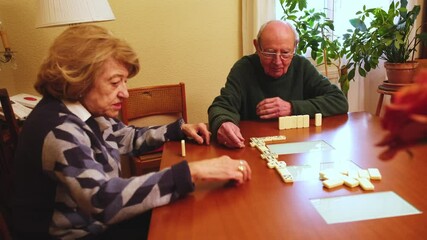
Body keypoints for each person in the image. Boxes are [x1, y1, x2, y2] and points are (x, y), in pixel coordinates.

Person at [12, 25, 251, 240]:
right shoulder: (59, 129)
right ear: (79, 80)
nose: (125, 93)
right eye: (115, 83)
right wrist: (195, 170)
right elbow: (102, 200)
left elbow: (125, 137)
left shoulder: (86, 110)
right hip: (82, 232)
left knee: (194, 212)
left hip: (98, 222)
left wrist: (178, 129)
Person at [208, 20, 349, 149]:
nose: (277, 61)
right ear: (257, 46)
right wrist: (223, 122)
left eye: (285, 53)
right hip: (252, 148)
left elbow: (338, 100)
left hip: (296, 145)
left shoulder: (301, 66)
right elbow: (222, 106)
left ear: (295, 47)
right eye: (269, 53)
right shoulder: (244, 68)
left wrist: (291, 108)